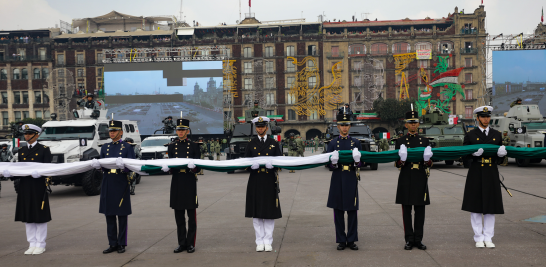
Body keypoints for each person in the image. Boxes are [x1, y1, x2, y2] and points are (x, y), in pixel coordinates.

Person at [462, 106, 507, 248]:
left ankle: (488, 237)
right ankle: (478, 237)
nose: (486, 119)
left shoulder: (497, 134)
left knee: (490, 206)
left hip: (491, 172)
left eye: (487, 116)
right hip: (476, 171)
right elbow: (464, 158)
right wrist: (471, 155)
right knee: (475, 207)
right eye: (483, 116)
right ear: (477, 118)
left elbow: (501, 159)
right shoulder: (470, 135)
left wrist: (501, 155)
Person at [6, 124, 52, 255]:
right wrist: (11, 173)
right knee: (27, 216)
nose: (26, 136)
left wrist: (42, 174)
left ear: (36, 135)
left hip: (38, 186)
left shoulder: (44, 149)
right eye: (25, 134)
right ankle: (31, 243)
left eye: (29, 134)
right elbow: (21, 169)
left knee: (39, 216)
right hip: (25, 186)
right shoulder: (22, 150)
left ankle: (41, 244)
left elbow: (49, 169)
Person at [395, 109, 433, 250]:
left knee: (420, 211)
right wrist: (402, 160)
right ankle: (409, 240)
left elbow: (430, 163)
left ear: (418, 125)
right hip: (405, 176)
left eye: (415, 122)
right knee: (406, 211)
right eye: (410, 123)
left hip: (420, 177)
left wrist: (427, 159)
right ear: (406, 125)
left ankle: (418, 239)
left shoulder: (424, 141)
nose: (413, 125)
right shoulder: (400, 141)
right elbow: (397, 163)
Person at [98, 120, 136, 254]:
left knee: (121, 215)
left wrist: (124, 168)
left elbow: (132, 166)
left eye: (114, 130)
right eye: (110, 130)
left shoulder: (127, 147)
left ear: (121, 132)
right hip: (108, 181)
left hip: (120, 182)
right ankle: (112, 243)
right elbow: (101, 164)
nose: (111, 133)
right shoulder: (104, 147)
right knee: (109, 215)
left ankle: (121, 243)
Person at [245, 116, 282, 252]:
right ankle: (259, 241)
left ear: (267, 128)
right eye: (258, 127)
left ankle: (268, 240)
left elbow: (280, 162)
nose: (260, 129)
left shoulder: (273, 143)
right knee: (257, 213)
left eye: (262, 126)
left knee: (269, 212)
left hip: (269, 180)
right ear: (256, 128)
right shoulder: (251, 143)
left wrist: (274, 165)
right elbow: (244, 163)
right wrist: (250, 167)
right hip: (255, 180)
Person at [326, 113, 362, 251]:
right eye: (342, 125)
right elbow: (327, 163)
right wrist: (333, 163)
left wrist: (358, 162)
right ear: (338, 126)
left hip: (351, 177)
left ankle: (351, 239)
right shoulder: (333, 143)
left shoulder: (356, 142)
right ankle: (341, 239)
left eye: (347, 125)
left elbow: (363, 162)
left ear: (350, 126)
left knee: (352, 210)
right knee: (338, 210)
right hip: (337, 177)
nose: (344, 127)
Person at [168, 118, 201, 253]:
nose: (180, 132)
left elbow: (198, 167)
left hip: (189, 181)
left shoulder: (194, 146)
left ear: (187, 131)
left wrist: (194, 168)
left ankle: (190, 243)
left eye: (183, 130)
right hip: (177, 181)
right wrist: (167, 168)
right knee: (179, 216)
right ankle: (181, 243)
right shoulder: (171, 146)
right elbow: (170, 164)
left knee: (191, 216)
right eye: (178, 130)